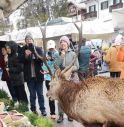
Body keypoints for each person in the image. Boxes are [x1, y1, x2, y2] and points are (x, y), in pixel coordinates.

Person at [20, 34, 47, 116]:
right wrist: (25, 55)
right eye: (27, 39)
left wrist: (34, 52)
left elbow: (41, 60)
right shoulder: (23, 49)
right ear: (25, 41)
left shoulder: (38, 49)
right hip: (29, 77)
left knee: (40, 94)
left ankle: (42, 110)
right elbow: (20, 61)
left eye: (30, 39)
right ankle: (33, 109)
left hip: (38, 76)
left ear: (33, 40)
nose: (29, 40)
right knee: (32, 95)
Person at [54, 36, 79, 123]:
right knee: (60, 98)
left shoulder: (73, 54)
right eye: (61, 42)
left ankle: (70, 114)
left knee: (70, 98)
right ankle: (60, 115)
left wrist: (71, 69)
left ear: (68, 43)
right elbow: (55, 65)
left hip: (71, 79)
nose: (62, 43)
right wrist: (62, 56)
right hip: (61, 80)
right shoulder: (57, 54)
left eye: (64, 42)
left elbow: (77, 66)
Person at [5, 41, 28, 105]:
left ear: (12, 48)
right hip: (13, 80)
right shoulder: (9, 56)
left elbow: (20, 68)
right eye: (7, 48)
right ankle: (22, 110)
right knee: (18, 98)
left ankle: (25, 110)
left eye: (9, 48)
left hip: (19, 80)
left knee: (22, 98)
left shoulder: (17, 55)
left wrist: (10, 69)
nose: (7, 50)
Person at [42, 40, 58, 119]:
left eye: (52, 48)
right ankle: (52, 112)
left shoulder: (58, 54)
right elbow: (43, 68)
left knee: (59, 95)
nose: (51, 50)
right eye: (50, 49)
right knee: (51, 96)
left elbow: (59, 66)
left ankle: (62, 113)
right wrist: (47, 60)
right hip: (48, 79)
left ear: (55, 47)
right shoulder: (45, 55)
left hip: (57, 79)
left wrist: (55, 58)